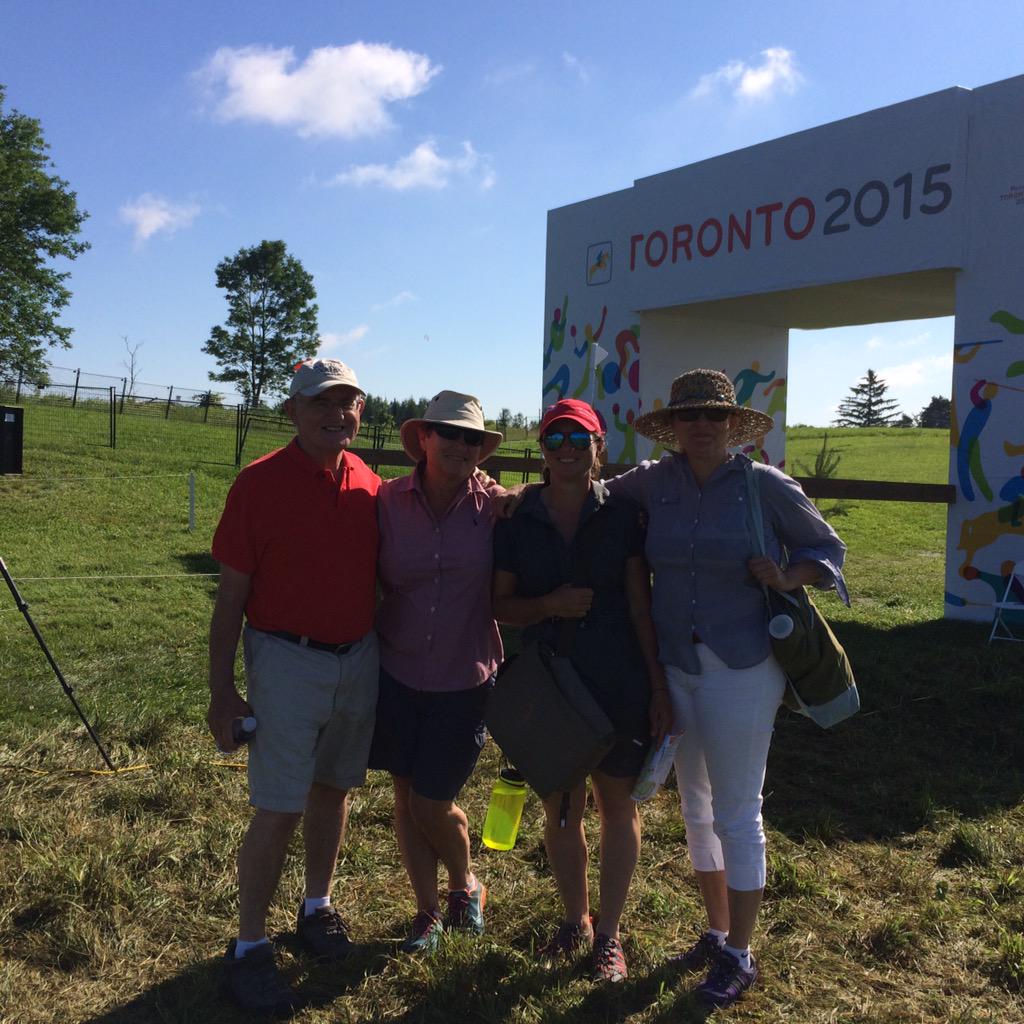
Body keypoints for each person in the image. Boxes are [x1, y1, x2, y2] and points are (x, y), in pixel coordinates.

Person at [607, 368, 849, 1009]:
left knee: (738, 812)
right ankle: (716, 931)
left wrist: (788, 574)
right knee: (694, 807)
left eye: (714, 417)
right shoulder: (655, 481)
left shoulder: (761, 484)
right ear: (675, 428)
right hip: (676, 666)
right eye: (690, 417)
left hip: (743, 666)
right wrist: (512, 496)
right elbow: (591, 493)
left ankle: (741, 953)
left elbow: (827, 549)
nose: (702, 427)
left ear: (732, 424)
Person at [207, 358, 381, 1015]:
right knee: (279, 807)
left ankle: (317, 909)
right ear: (293, 411)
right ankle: (250, 948)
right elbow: (230, 602)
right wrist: (223, 692)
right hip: (285, 658)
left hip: (356, 657)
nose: (338, 415)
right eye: (322, 404)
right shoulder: (257, 485)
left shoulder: (368, 481)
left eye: (349, 403)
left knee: (332, 790)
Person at [492, 398, 671, 984]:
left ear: (599, 448)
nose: (566, 448)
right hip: (551, 687)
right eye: (554, 438)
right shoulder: (517, 519)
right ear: (541, 451)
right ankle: (576, 921)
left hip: (619, 679)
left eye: (579, 437)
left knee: (618, 807)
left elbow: (641, 606)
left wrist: (657, 684)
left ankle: (610, 935)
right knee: (562, 810)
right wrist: (547, 606)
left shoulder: (621, 516)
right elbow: (499, 604)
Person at [369, 391, 505, 953]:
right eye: (448, 433)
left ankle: (465, 883)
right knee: (405, 794)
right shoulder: (385, 502)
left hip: (465, 674)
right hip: (395, 668)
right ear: (423, 438)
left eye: (472, 437)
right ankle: (427, 909)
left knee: (432, 799)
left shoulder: (496, 506)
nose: (460, 445)